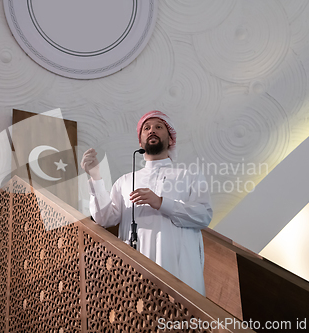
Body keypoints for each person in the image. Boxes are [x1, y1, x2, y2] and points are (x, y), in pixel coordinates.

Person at [80, 111, 212, 295]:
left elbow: (203, 215)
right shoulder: (125, 181)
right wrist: (96, 178)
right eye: (146, 128)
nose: (152, 131)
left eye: (159, 127)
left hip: (178, 271)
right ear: (140, 142)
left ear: (171, 139)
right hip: (135, 271)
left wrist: (160, 202)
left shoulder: (189, 175)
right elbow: (104, 219)